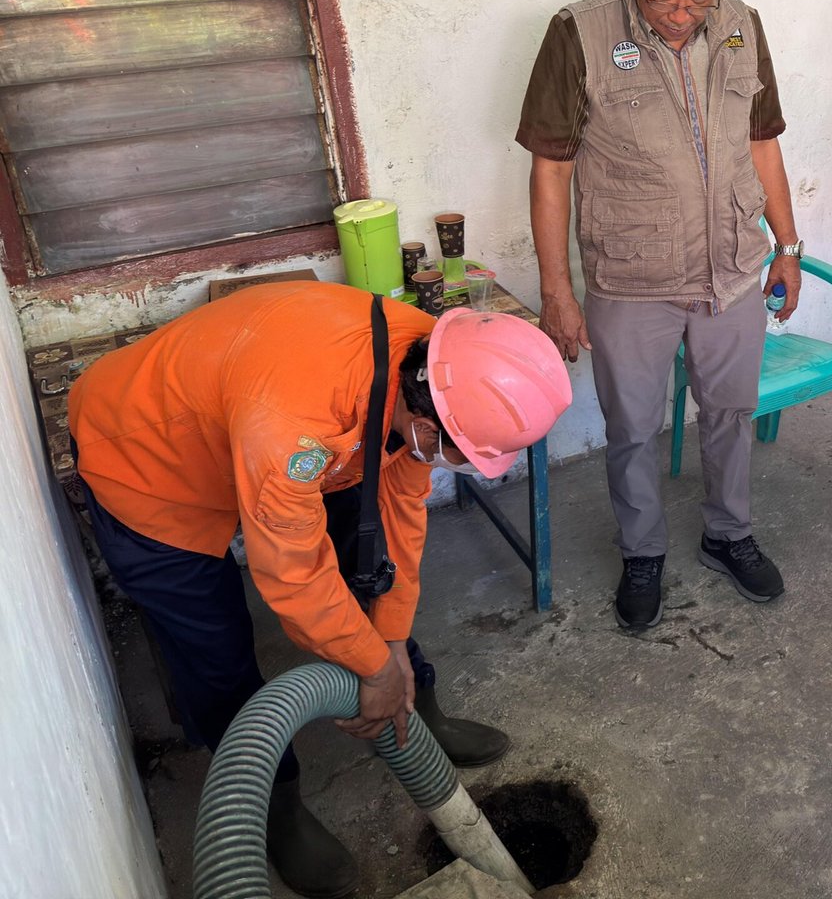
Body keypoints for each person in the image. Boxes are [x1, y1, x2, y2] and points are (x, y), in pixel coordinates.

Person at [68, 282, 570, 899]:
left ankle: (419, 715)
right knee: (214, 650)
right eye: (449, 449)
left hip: (265, 424)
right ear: (422, 410)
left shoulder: (432, 363)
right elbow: (292, 573)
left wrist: (389, 641)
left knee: (372, 564)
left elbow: (401, 521)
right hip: (147, 461)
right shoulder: (295, 425)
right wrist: (367, 664)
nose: (447, 464)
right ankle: (274, 810)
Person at [518, 0, 801, 631]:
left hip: (735, 268)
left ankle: (728, 533)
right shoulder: (577, 33)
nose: (682, 13)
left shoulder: (741, 26)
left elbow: (763, 141)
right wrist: (557, 291)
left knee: (731, 414)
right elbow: (551, 169)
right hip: (632, 278)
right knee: (633, 426)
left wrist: (789, 246)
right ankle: (643, 552)